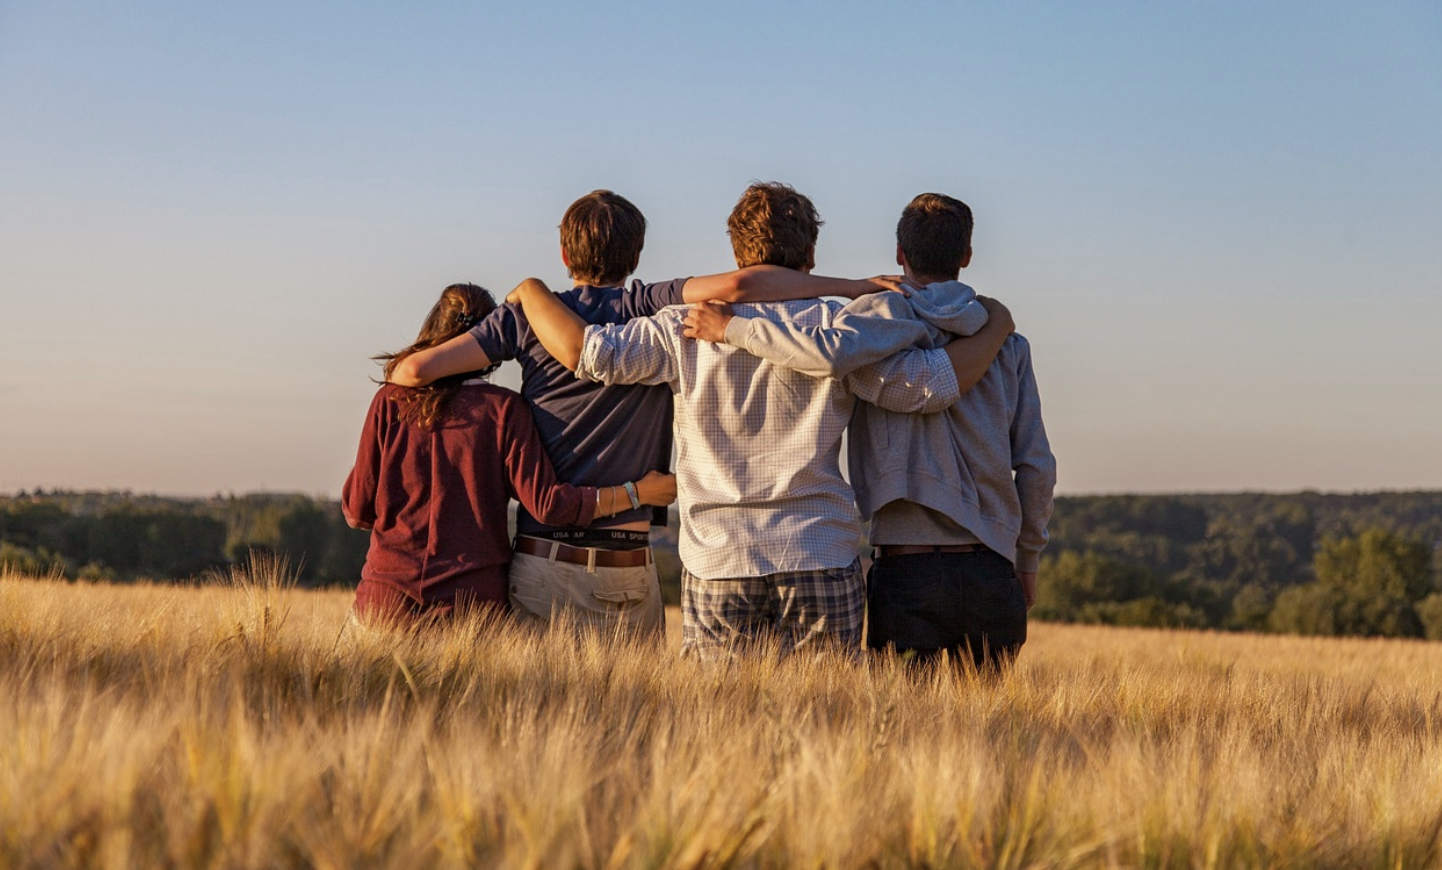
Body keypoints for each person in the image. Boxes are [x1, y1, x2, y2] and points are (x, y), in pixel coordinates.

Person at [508, 182, 1015, 660]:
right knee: (827, 723)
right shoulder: (839, 329)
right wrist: (996, 327)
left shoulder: (681, 327)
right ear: (811, 256)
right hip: (818, 549)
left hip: (718, 557)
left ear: (736, 255)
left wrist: (531, 292)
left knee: (720, 727)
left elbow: (592, 355)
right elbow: (925, 388)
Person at [385, 190, 899, 636]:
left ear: (565, 253)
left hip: (543, 558)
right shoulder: (651, 305)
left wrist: (524, 298)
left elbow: (411, 374)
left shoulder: (525, 317)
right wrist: (852, 287)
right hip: (628, 563)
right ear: (637, 254)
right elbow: (743, 287)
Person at [684, 193, 1055, 670]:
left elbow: (828, 355)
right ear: (966, 256)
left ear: (900, 254)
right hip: (992, 568)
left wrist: (734, 328)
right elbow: (1037, 466)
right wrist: (1027, 558)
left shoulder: (868, 328)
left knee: (899, 732)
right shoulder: (1007, 344)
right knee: (985, 736)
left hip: (906, 569)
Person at [342, 282, 676, 628]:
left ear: (434, 329)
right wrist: (638, 493)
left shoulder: (390, 401)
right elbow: (549, 505)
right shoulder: (504, 410)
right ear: (491, 342)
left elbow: (358, 510)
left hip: (385, 602)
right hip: (471, 610)